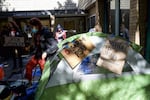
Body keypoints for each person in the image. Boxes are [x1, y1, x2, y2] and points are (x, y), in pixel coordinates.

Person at [25, 17, 58, 82]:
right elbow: (37, 45)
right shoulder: (36, 33)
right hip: (38, 54)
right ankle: (29, 81)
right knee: (28, 66)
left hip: (45, 56)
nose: (32, 29)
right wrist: (30, 47)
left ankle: (45, 84)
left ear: (37, 26)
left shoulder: (46, 32)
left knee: (44, 71)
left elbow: (55, 45)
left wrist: (46, 52)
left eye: (32, 27)